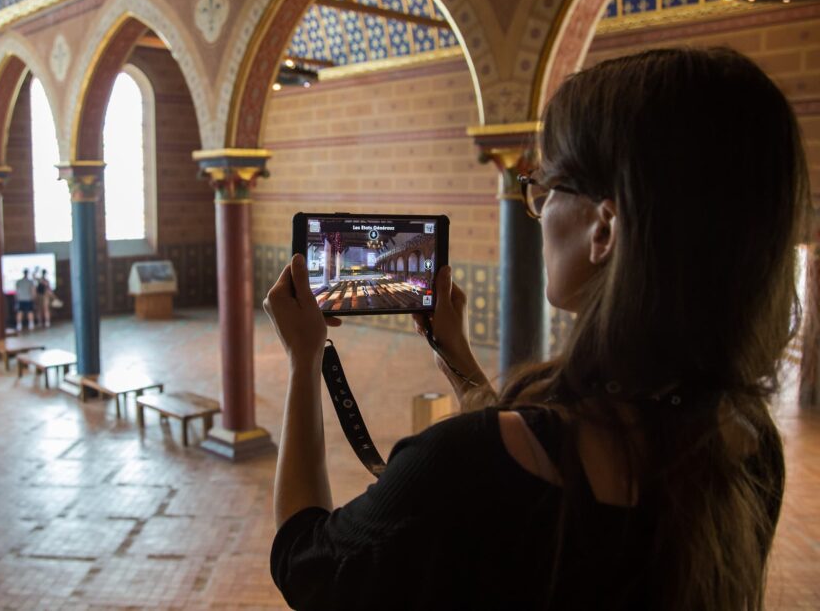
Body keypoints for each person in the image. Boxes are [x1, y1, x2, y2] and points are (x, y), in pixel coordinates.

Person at [264, 48, 804, 610]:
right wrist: (458, 358)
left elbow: (306, 562)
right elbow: (527, 459)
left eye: (547, 188)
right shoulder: (746, 445)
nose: (538, 209)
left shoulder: (455, 464)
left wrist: (306, 361)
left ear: (605, 228)